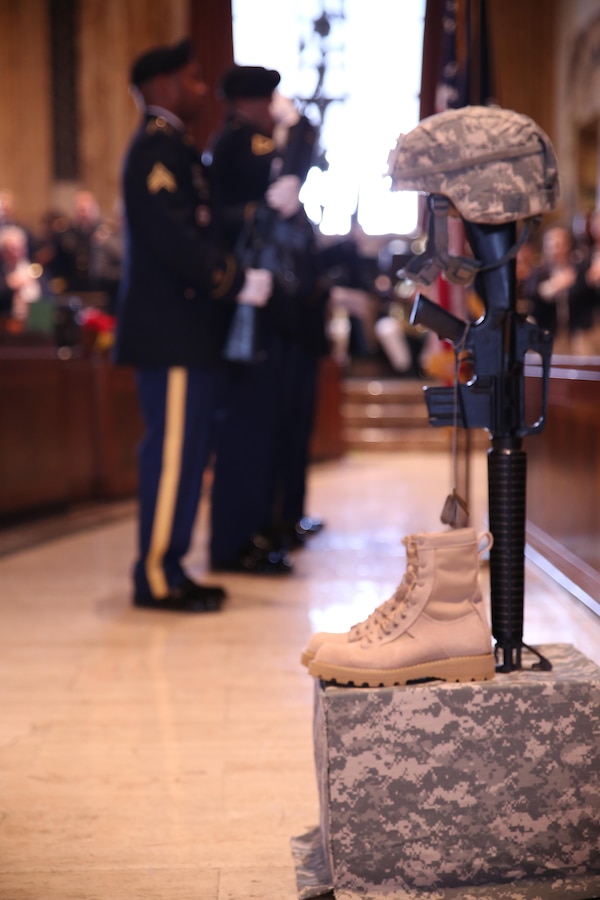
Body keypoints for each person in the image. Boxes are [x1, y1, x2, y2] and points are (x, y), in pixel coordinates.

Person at [113, 39, 272, 612]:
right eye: (191, 79)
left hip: (188, 330)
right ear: (162, 87)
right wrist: (231, 278)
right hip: (171, 330)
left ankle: (172, 566)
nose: (201, 89)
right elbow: (174, 237)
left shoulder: (178, 149)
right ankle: (156, 574)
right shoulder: (155, 151)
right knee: (175, 452)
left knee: (190, 451)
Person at [206, 64, 329, 575]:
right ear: (250, 102)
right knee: (247, 434)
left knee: (266, 430)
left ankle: (257, 530)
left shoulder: (247, 144)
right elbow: (227, 210)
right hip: (251, 309)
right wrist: (294, 133)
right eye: (268, 99)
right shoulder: (241, 144)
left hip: (270, 312)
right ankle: (238, 541)